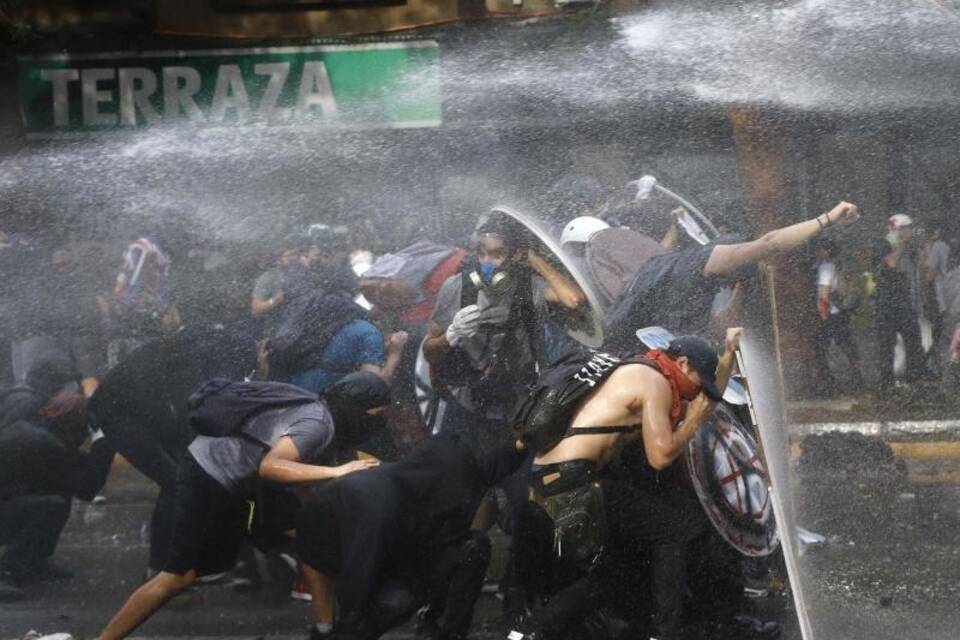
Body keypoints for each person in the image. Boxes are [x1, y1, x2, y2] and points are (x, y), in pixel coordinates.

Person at [98, 371, 390, 640]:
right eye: (373, 415)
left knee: (306, 537)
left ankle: (324, 629)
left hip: (236, 484)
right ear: (355, 408)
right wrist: (338, 472)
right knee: (178, 576)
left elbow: (290, 475)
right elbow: (271, 466)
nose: (375, 424)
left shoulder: (322, 416)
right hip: (210, 476)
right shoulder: (317, 424)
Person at [510, 330, 742, 640]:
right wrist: (693, 422)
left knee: (612, 575)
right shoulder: (656, 383)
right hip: (571, 481)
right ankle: (664, 633)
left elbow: (706, 400)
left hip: (551, 479)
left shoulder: (641, 369)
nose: (696, 393)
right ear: (683, 364)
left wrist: (728, 354)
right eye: (699, 380)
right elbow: (660, 456)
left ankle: (526, 631)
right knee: (677, 529)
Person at [421, 211, 585, 622]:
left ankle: (518, 601)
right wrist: (451, 336)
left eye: (496, 253)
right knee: (459, 509)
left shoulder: (529, 288)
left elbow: (573, 301)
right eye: (481, 252)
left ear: (512, 254)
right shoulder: (456, 288)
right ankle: (447, 606)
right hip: (468, 412)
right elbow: (429, 351)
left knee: (523, 511)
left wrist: (535, 260)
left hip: (516, 418)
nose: (487, 261)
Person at [296, 435, 526, 640]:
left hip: (393, 553)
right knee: (397, 601)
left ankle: (446, 633)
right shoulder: (379, 508)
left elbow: (487, 467)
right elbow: (358, 573)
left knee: (473, 547)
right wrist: (347, 627)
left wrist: (522, 445)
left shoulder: (440, 475)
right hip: (336, 555)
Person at [87, 321, 258, 574]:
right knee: (176, 482)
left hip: (142, 410)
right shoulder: (214, 360)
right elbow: (188, 412)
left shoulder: (214, 350)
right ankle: (159, 568)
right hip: (120, 414)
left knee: (190, 477)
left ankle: (201, 561)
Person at [603, 201, 861, 352]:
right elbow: (771, 243)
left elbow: (716, 327)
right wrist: (827, 218)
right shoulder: (700, 262)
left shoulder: (677, 272)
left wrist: (743, 289)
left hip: (626, 348)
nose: (725, 287)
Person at [0, 380, 113, 601]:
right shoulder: (42, 443)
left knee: (58, 492)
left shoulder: (33, 432)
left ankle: (34, 562)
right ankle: (8, 570)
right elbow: (87, 487)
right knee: (52, 505)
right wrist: (102, 442)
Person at [264, 260, 408, 394]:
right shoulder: (368, 333)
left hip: (285, 392)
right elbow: (372, 389)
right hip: (319, 404)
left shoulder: (318, 314)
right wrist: (395, 354)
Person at [871, 217, 929, 390]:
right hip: (887, 303)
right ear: (897, 229)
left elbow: (916, 270)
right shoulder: (884, 244)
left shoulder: (907, 247)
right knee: (887, 344)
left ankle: (914, 378)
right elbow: (891, 264)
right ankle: (886, 383)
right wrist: (902, 244)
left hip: (903, 301)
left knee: (913, 340)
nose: (909, 232)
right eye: (906, 228)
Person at [812, 239, 863, 396]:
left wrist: (823, 316)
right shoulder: (836, 264)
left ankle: (829, 382)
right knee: (845, 343)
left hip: (830, 313)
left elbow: (824, 294)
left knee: (821, 348)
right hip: (839, 312)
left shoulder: (826, 267)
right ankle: (857, 375)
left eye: (819, 250)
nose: (817, 253)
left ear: (825, 251)